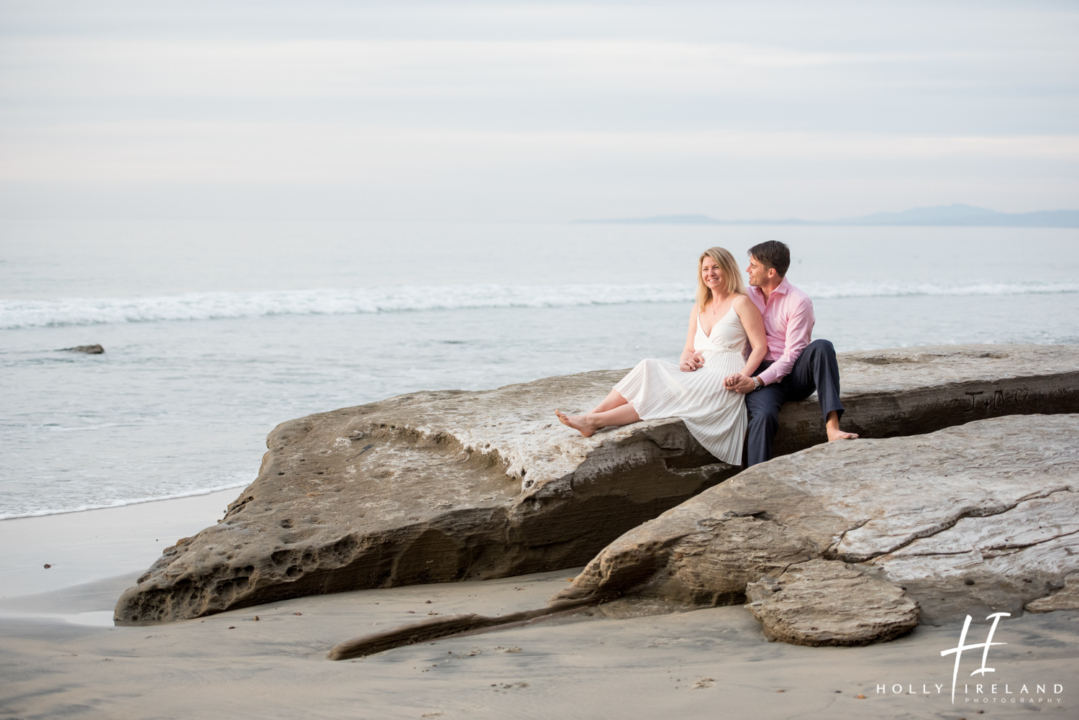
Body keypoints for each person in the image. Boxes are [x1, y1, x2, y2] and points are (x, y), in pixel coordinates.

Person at [556, 247, 767, 466]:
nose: (710, 273)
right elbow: (688, 348)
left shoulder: (740, 303)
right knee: (648, 365)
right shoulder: (699, 307)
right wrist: (686, 360)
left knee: (662, 393)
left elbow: (760, 347)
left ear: (728, 269)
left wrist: (744, 377)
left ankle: (594, 421)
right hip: (700, 371)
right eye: (705, 269)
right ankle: (591, 415)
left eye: (716, 267)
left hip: (724, 375)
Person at [722, 240, 858, 466]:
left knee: (823, 346)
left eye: (753, 265)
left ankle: (832, 427)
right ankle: (755, 476)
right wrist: (695, 352)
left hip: (794, 375)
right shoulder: (745, 296)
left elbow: (792, 356)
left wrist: (755, 381)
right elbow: (718, 318)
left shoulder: (798, 301)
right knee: (763, 416)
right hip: (762, 372)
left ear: (771, 272)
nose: (747, 270)